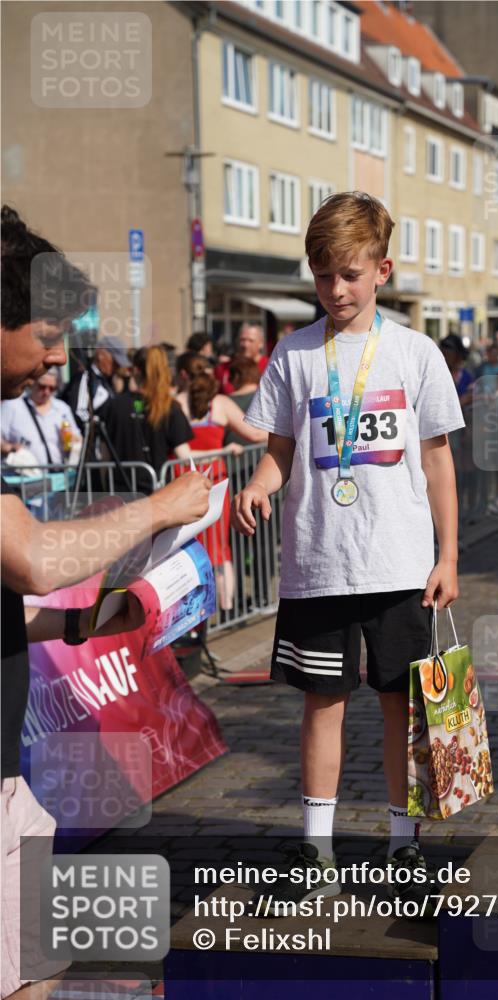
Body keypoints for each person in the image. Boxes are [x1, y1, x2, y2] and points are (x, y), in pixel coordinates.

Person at [231, 191, 464, 914]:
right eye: (324, 274)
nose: (336, 289)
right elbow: (278, 453)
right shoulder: (294, 354)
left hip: (398, 565)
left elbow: (435, 464)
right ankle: (317, 848)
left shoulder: (414, 352)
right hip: (317, 565)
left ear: (381, 270)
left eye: (351, 275)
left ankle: (403, 846)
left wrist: (448, 554)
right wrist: (260, 487)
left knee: (402, 709)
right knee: (321, 708)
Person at [0, 205, 212, 998]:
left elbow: (18, 601)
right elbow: (32, 560)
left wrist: (97, 620)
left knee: (35, 974)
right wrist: (160, 508)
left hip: (10, 786)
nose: (57, 357)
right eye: (47, 333)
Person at [174, 352, 267, 611]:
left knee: (185, 546)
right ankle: (224, 607)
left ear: (183, 374)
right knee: (219, 546)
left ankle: (193, 610)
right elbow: (255, 433)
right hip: (214, 483)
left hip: (181, 483)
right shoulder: (222, 404)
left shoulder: (176, 403)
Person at [104, 345, 194, 493]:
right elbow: (184, 456)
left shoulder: (114, 405)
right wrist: (222, 452)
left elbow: (105, 455)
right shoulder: (169, 407)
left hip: (120, 494)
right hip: (156, 494)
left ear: (136, 370)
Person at [1, 367, 82, 466]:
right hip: (23, 476)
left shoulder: (62, 409)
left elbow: (78, 438)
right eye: (42, 387)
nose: (46, 392)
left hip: (58, 474)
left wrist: (74, 441)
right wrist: (11, 448)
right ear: (32, 384)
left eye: (52, 388)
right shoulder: (12, 406)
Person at [61, 335, 131, 432]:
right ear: (101, 354)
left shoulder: (107, 381)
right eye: (114, 361)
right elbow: (79, 412)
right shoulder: (87, 378)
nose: (117, 366)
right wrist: (98, 423)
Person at [216, 322, 268, 395]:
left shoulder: (270, 367)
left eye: (251, 340)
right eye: (242, 340)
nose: (245, 345)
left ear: (261, 343)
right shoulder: (223, 368)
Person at [223, 356, 262, 449]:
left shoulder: (223, 402)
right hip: (265, 457)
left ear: (236, 376)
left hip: (234, 459)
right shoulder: (269, 397)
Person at [440, 334, 474, 406]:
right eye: (443, 353)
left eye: (448, 354)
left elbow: (471, 396)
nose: (444, 357)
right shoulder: (438, 375)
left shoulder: (467, 376)